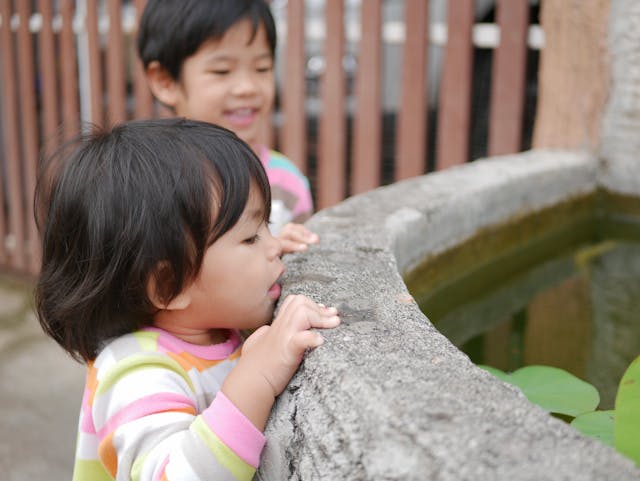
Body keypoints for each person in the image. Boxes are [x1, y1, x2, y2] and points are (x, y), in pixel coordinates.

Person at [34, 118, 340, 481]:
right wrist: (257, 375)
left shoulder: (212, 323)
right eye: (250, 238)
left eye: (267, 226)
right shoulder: (134, 372)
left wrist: (264, 249)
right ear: (168, 286)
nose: (274, 248)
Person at [137, 0, 317, 253]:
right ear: (166, 81)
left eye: (262, 68)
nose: (247, 87)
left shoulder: (286, 184)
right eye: (222, 71)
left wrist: (290, 253)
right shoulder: (144, 182)